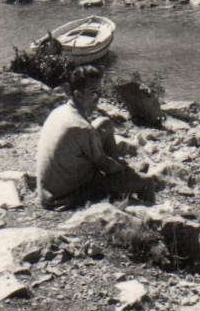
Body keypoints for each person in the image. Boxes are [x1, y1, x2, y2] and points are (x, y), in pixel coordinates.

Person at [35, 71, 160, 210]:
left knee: (105, 123)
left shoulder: (60, 111)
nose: (98, 98)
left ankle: (122, 184)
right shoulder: (81, 127)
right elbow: (105, 165)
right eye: (93, 92)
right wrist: (122, 168)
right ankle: (152, 218)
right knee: (147, 182)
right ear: (78, 95)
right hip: (67, 196)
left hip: (51, 189)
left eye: (100, 92)